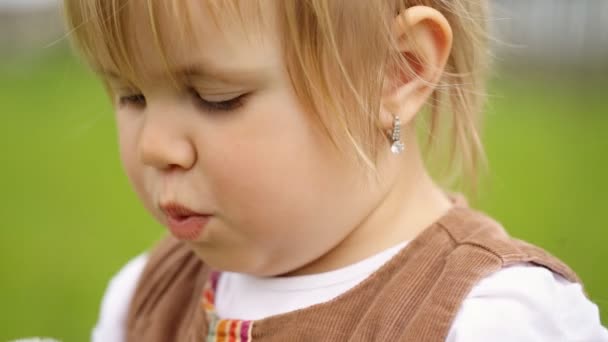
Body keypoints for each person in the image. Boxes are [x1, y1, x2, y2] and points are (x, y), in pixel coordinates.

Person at [63, 1, 607, 341]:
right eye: (129, 94)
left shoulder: (489, 323)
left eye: (215, 97)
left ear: (396, 72)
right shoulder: (148, 296)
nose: (154, 147)